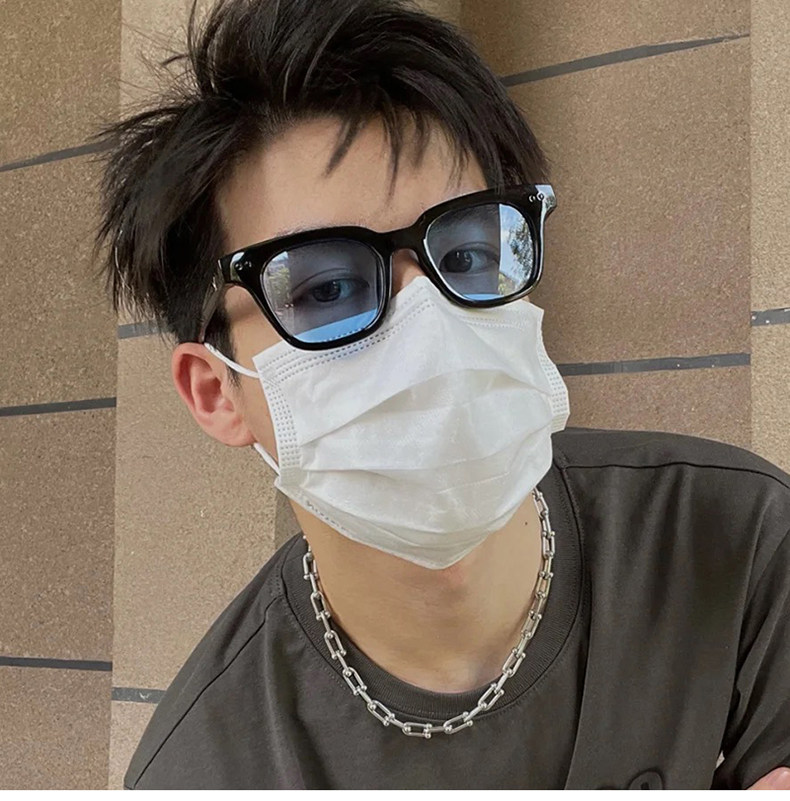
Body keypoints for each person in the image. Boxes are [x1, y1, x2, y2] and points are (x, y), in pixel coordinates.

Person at [89, 0, 790, 790]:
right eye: (325, 287)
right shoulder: (210, 768)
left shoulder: (741, 543)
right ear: (217, 390)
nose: (431, 320)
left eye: (467, 253)